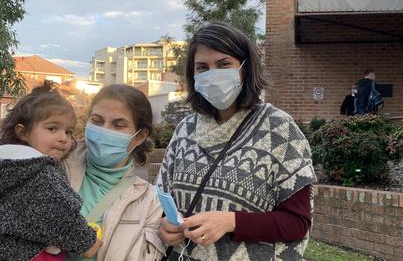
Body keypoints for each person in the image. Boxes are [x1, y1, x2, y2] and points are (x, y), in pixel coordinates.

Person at [156, 22, 316, 261]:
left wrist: (230, 221)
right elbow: (162, 200)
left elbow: (297, 222)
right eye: (202, 67)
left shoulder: (279, 130)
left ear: (245, 68)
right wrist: (165, 226)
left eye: (223, 64)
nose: (212, 74)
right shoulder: (185, 130)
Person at [0, 81, 102, 261]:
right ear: (22, 132)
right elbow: (60, 216)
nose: (63, 138)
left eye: (68, 132)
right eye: (52, 128)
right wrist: (89, 241)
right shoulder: (39, 174)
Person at [63, 84, 165, 261]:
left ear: (140, 136)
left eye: (119, 125)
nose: (104, 130)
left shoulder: (150, 202)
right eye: (97, 120)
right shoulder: (54, 167)